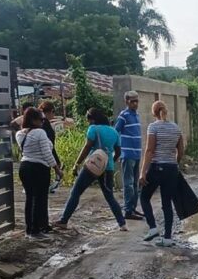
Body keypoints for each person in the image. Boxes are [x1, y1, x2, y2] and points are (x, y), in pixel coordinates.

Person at [53, 108, 128, 231]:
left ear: (92, 119)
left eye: (88, 120)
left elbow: (87, 147)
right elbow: (118, 152)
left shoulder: (93, 129)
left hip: (91, 166)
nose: (88, 123)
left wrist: (76, 164)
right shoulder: (114, 132)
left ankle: (64, 220)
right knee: (109, 196)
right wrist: (109, 162)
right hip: (107, 168)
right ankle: (122, 223)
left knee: (76, 192)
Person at [139, 100, 184, 247]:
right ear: (166, 110)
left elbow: (150, 151)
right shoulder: (176, 128)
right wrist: (175, 163)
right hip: (171, 169)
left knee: (144, 197)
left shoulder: (153, 127)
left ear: (153, 112)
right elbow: (181, 150)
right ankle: (168, 237)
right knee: (167, 203)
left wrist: (143, 172)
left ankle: (152, 228)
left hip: (157, 167)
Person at [15, 107, 62, 237]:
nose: (43, 122)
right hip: (39, 168)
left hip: (24, 167)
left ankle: (29, 229)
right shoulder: (40, 133)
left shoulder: (19, 134)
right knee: (40, 198)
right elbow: (47, 153)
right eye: (40, 119)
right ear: (33, 120)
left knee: (30, 198)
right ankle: (37, 229)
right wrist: (57, 169)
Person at [115, 91, 144, 220]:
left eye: (137, 101)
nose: (135, 103)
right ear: (127, 101)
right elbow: (116, 132)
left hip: (137, 153)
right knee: (128, 184)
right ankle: (128, 210)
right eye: (133, 101)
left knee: (136, 184)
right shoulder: (123, 116)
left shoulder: (137, 115)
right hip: (127, 154)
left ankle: (133, 208)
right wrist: (118, 151)